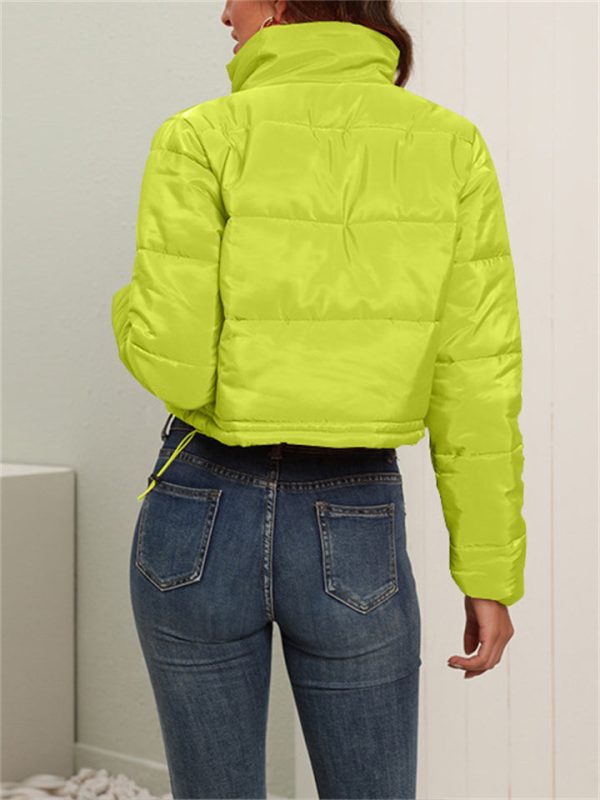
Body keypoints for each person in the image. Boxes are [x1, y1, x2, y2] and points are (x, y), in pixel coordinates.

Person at [111, 1, 526, 797]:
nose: (223, 12)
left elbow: (177, 370)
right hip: (355, 515)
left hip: (200, 510)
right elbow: (479, 381)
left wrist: (125, 306)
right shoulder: (451, 145)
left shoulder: (200, 135)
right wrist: (488, 573)